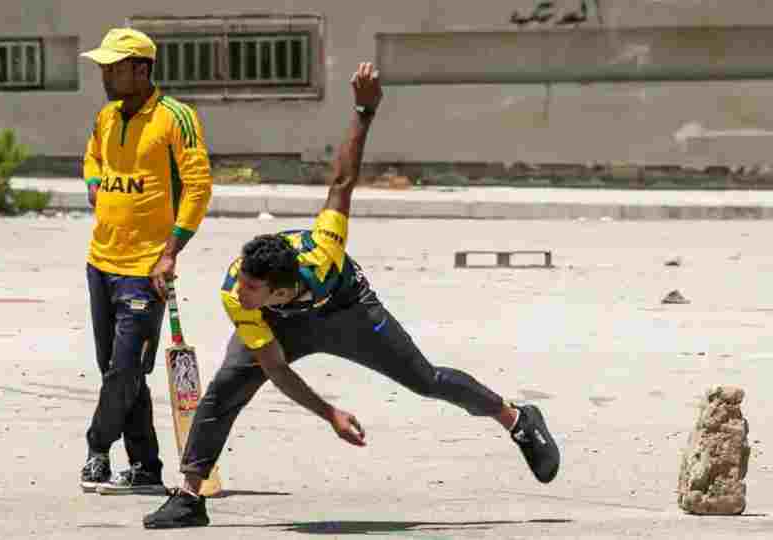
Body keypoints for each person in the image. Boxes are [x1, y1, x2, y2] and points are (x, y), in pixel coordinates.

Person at [142, 62, 560, 528]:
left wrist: (364, 111)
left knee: (425, 379)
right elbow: (276, 369)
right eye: (243, 282)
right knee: (225, 390)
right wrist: (329, 414)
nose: (241, 292)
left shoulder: (324, 252)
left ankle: (517, 419)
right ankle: (189, 497)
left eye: (253, 288)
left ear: (281, 287)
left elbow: (342, 181)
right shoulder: (238, 293)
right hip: (282, 324)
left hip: (348, 311)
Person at [78, 28, 213, 495]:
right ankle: (146, 466)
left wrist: (170, 252)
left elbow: (199, 187)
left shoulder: (177, 117)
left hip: (146, 269)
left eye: (113, 67)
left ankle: (97, 446)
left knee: (125, 371)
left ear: (141, 69)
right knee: (118, 370)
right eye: (103, 67)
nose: (105, 75)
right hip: (101, 262)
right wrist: (94, 182)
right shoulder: (106, 117)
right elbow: (92, 156)